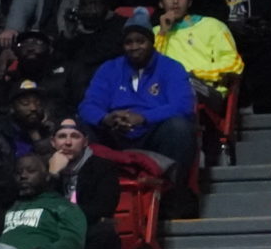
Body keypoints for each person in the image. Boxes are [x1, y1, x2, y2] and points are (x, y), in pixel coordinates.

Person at [77, 14, 197, 168]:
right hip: (115, 133)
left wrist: (143, 117)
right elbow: (88, 105)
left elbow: (183, 105)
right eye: (128, 42)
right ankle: (86, 187)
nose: (134, 47)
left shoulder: (171, 67)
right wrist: (106, 118)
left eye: (140, 41)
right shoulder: (109, 68)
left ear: (151, 42)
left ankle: (173, 189)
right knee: (79, 126)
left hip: (152, 132)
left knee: (179, 127)